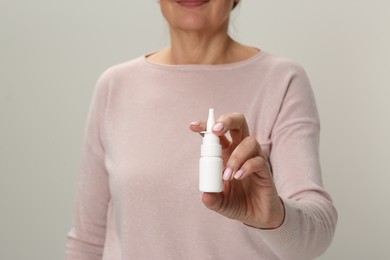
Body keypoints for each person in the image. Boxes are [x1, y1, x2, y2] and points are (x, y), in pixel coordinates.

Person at [66, 0, 337, 259]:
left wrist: (274, 217)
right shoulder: (115, 86)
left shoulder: (282, 81)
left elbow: (316, 239)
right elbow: (87, 242)